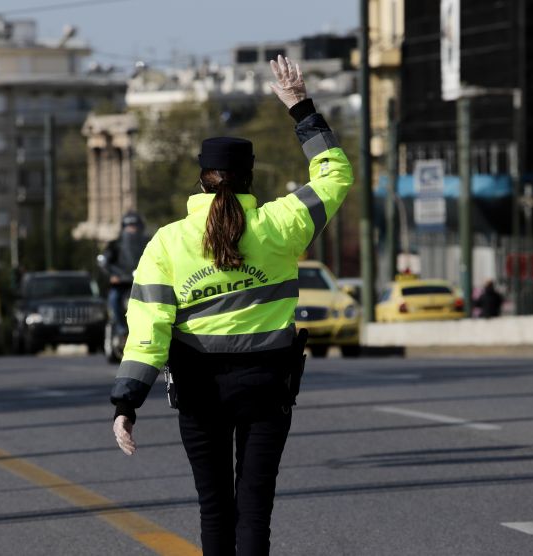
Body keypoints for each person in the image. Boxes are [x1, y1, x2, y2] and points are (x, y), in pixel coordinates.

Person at [109, 55, 353, 555]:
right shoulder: (281, 225)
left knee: (215, 506)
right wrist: (300, 107)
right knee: (254, 507)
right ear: (250, 177)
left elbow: (149, 329)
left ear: (203, 179)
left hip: (198, 388)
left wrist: (127, 402)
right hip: (266, 385)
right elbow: (335, 175)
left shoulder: (168, 242)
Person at [100, 212, 149, 333]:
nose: (132, 229)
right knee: (114, 298)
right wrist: (113, 275)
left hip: (143, 283)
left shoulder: (149, 242)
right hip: (121, 283)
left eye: (134, 226)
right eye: (129, 226)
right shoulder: (115, 243)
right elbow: (105, 261)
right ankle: (121, 329)